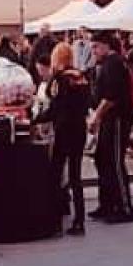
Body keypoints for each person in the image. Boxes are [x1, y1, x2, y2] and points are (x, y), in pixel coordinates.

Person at [90, 36, 133, 224]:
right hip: (109, 118)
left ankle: (125, 208)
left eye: (96, 47)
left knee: (115, 161)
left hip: (117, 117)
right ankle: (107, 203)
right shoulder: (107, 64)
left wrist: (96, 116)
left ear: (106, 46)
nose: (93, 51)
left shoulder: (114, 63)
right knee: (102, 159)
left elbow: (111, 96)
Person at [45, 42, 90, 235]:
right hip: (79, 128)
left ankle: (54, 220)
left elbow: (55, 107)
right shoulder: (81, 77)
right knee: (75, 175)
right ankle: (79, 220)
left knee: (55, 174)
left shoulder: (59, 79)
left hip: (63, 130)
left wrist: (35, 119)